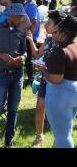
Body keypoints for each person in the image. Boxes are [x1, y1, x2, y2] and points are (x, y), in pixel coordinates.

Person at [0, 3, 27, 148]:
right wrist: (0, 55)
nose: (21, 19)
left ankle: (9, 142)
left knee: (13, 109)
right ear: (10, 16)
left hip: (17, 75)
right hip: (1, 75)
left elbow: (24, 52)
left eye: (21, 16)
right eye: (19, 16)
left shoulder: (21, 31)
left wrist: (23, 58)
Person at [26, 10, 64, 148]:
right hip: (45, 79)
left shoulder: (64, 44)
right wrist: (30, 40)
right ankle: (39, 137)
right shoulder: (48, 40)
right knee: (40, 108)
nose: (45, 26)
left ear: (58, 27)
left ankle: (58, 139)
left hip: (59, 82)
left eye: (48, 23)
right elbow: (36, 55)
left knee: (58, 112)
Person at [39, 15, 77, 148]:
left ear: (63, 34)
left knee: (62, 137)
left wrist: (43, 71)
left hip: (61, 95)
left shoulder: (60, 52)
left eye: (56, 31)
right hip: (74, 93)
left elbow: (56, 79)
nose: (54, 34)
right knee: (67, 132)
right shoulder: (75, 46)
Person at [21, 0, 40, 85]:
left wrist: (30, 36)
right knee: (27, 57)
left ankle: (31, 79)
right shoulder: (26, 5)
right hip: (26, 36)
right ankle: (29, 77)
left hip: (29, 36)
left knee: (29, 58)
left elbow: (33, 21)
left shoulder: (31, 6)